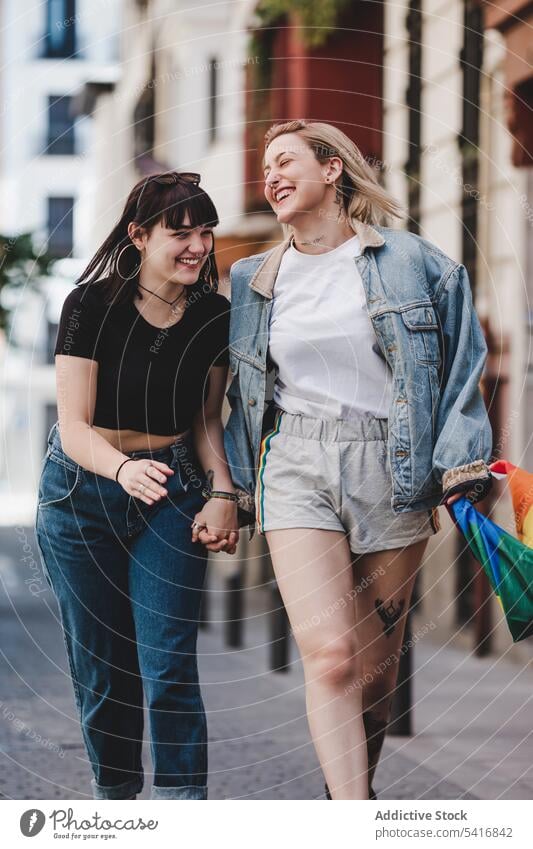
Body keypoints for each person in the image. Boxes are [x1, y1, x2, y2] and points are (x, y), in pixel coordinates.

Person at [223, 120, 493, 800]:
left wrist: (461, 463)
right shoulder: (251, 278)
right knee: (332, 657)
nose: (271, 176)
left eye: (285, 161)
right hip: (297, 464)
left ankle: (349, 792)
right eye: (265, 169)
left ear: (332, 169)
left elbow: (464, 363)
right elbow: (238, 389)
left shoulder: (412, 262)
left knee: (374, 672)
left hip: (392, 466)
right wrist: (226, 488)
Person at [35, 171, 238, 800]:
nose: (198, 246)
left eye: (206, 233)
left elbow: (207, 421)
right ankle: (120, 809)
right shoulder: (91, 306)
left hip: (171, 494)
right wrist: (121, 469)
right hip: (81, 496)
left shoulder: (213, 314)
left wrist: (224, 493)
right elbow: (72, 424)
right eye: (180, 233)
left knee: (169, 664)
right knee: (104, 672)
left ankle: (182, 814)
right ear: (138, 236)